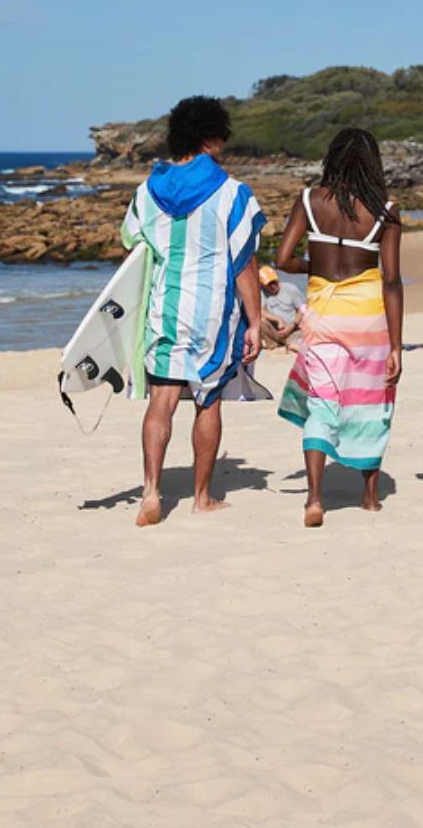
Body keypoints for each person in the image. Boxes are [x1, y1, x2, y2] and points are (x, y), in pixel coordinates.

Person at [120, 96, 266, 528]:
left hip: (164, 308)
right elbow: (244, 262)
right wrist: (256, 321)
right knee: (209, 400)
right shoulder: (232, 193)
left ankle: (151, 491)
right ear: (209, 139)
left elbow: (134, 249)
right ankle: (202, 497)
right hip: (212, 314)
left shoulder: (147, 192)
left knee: (161, 401)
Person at [275, 128, 403, 527]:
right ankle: (370, 497)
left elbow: (282, 259)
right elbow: (392, 280)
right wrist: (396, 346)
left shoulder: (310, 201)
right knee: (372, 401)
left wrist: (316, 265)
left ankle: (315, 498)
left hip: (324, 314)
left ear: (332, 159)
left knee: (322, 401)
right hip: (368, 317)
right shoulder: (386, 210)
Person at [258, 265, 304, 350]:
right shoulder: (262, 292)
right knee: (260, 321)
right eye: (268, 284)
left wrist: (291, 326)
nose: (272, 286)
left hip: (294, 330)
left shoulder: (291, 289)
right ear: (263, 284)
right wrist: (278, 319)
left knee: (295, 344)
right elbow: (260, 311)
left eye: (274, 282)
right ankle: (273, 344)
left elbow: (302, 310)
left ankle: (289, 344)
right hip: (276, 330)